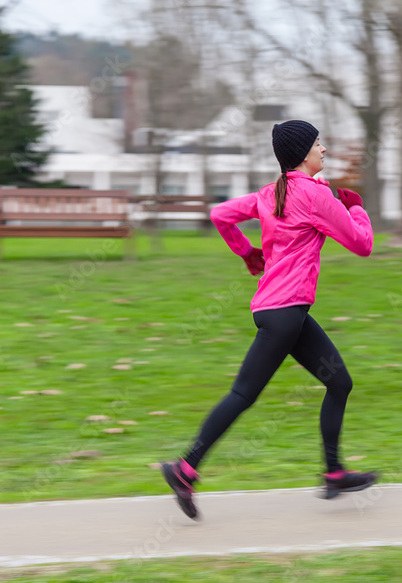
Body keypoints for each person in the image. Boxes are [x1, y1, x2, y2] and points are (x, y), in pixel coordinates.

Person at [161, 120, 379, 520]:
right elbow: (362, 245)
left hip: (280, 310)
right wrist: (356, 206)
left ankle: (333, 472)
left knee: (339, 382)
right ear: (303, 153)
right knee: (243, 394)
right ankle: (184, 469)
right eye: (318, 144)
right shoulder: (315, 195)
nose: (324, 149)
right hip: (286, 313)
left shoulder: (271, 193)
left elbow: (220, 214)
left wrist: (247, 253)